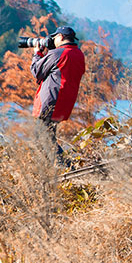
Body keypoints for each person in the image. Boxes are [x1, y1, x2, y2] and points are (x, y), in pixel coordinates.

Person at [31, 26, 85, 162]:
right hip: (64, 102)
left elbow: (37, 71)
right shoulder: (78, 54)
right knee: (47, 136)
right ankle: (54, 168)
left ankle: (66, 167)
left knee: (43, 136)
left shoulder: (58, 54)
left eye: (54, 38)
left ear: (60, 37)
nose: (53, 41)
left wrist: (37, 54)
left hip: (52, 100)